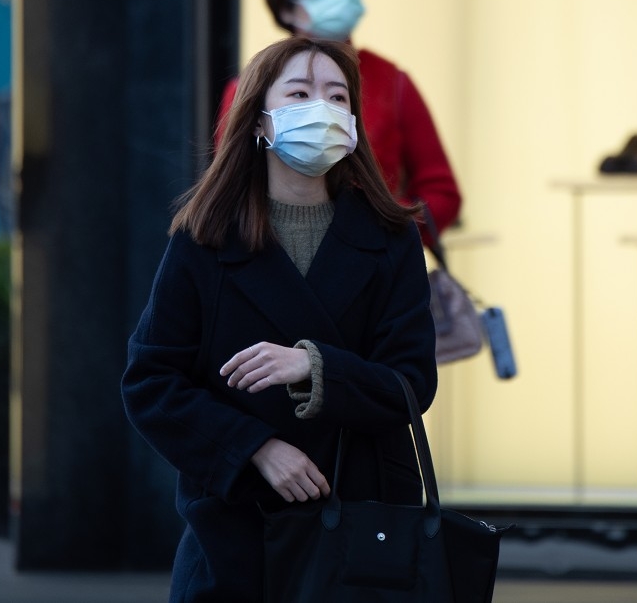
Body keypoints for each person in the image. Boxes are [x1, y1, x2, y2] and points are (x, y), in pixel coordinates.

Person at [122, 36, 439, 602]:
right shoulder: (204, 239)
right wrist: (254, 448)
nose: (322, 107)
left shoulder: (391, 239)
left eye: (338, 96)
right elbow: (150, 382)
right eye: (300, 91)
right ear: (261, 121)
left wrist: (314, 366)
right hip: (237, 533)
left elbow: (411, 380)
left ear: (354, 124)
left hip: (363, 532)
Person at [216, 0, 462, 237]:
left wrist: (385, 233)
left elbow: (442, 193)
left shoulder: (392, 81)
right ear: (286, 9)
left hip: (376, 268)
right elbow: (228, 186)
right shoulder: (251, 86)